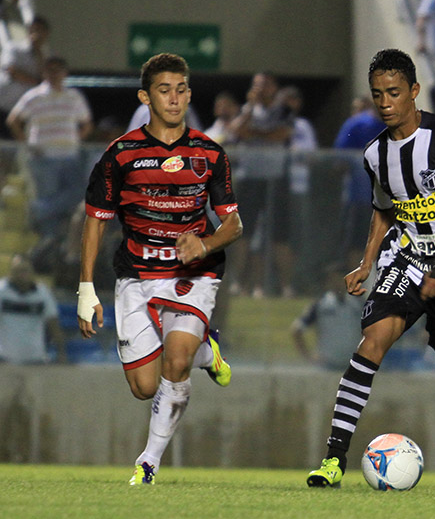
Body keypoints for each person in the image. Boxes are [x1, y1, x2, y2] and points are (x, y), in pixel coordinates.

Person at [306, 49, 435, 488]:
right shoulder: (374, 154)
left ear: (414, 91)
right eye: (377, 95)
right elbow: (384, 210)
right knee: (371, 343)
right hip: (408, 260)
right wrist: (367, 261)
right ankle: (333, 461)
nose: (385, 102)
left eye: (394, 92)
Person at [77, 53, 242, 485]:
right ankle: (209, 350)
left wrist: (203, 243)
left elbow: (234, 223)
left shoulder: (209, 153)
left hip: (194, 274)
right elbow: (95, 220)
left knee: (177, 360)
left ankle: (148, 462)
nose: (174, 98)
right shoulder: (121, 154)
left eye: (182, 89)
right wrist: (86, 288)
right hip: (136, 275)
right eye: (164, 90)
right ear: (145, 97)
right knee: (144, 387)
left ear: (189, 93)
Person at [6, 56, 92, 240]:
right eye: (50, 70)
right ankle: (48, 243)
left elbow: (86, 124)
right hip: (43, 157)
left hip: (70, 156)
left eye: (58, 70)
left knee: (77, 193)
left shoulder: (74, 96)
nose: (54, 74)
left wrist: (76, 140)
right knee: (50, 195)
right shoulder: (34, 96)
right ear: (44, 73)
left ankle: (38, 209)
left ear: (64, 73)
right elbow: (13, 120)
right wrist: (27, 145)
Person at [229, 72, 294, 298]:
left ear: (274, 87)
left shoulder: (283, 110)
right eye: (256, 85)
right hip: (250, 177)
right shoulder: (247, 111)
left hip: (275, 178)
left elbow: (282, 134)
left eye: (265, 85)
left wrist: (254, 134)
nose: (260, 89)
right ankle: (239, 282)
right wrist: (249, 108)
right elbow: (236, 130)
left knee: (279, 235)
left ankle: (286, 286)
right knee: (243, 232)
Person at [333, 96, 386, 267]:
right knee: (357, 243)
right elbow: (340, 161)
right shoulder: (356, 124)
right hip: (360, 198)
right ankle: (355, 289)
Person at [291, 264, 364, 369]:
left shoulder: (358, 304)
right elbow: (296, 330)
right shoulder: (320, 304)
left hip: (352, 366)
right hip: (327, 366)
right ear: (328, 282)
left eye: (341, 279)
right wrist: (309, 357)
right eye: (333, 279)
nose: (337, 283)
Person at [0, 253, 65, 364]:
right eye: (18, 270)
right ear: (11, 272)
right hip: (5, 359)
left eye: (25, 270)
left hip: (35, 360)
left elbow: (53, 324)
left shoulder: (42, 294)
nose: (22, 274)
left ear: (32, 272)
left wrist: (61, 352)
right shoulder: (2, 291)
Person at [0, 15, 48, 139]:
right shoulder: (14, 48)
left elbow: (46, 80)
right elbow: (12, 71)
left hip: (22, 112)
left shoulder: (46, 56)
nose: (36, 33)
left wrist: (39, 53)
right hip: (3, 104)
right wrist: (35, 81)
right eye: (33, 29)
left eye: (40, 30)